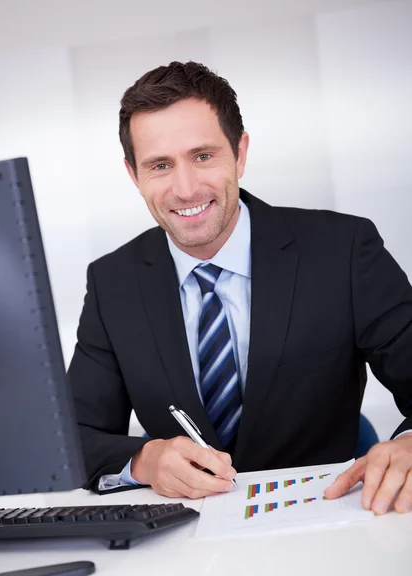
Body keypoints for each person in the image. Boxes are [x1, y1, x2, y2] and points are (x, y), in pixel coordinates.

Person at [68, 61, 412, 515]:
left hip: (329, 521)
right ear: (134, 176)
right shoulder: (113, 282)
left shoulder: (343, 251)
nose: (186, 188)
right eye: (160, 165)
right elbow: (74, 437)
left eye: (203, 156)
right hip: (190, 542)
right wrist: (142, 460)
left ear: (240, 153)